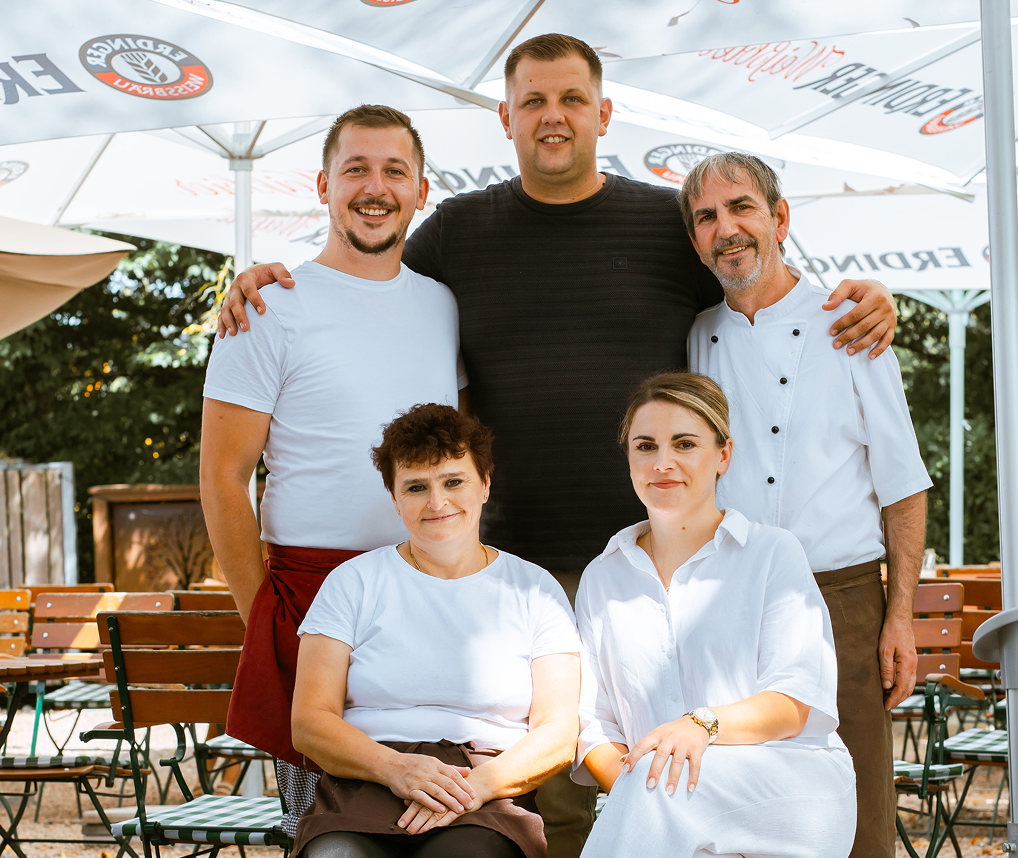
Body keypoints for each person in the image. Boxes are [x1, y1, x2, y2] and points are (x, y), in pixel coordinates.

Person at [214, 34, 897, 858]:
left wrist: (863, 297)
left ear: (604, 113)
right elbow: (369, 270)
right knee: (560, 800)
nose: (553, 116)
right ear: (505, 118)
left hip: (655, 560)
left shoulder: (665, 223)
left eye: (572, 99)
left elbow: (755, 279)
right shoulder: (456, 234)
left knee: (692, 777)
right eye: (533, 100)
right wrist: (258, 277)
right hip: (514, 571)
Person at [200, 105, 464, 836]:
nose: (375, 188)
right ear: (323, 185)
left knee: (438, 818)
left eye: (394, 171)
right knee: (321, 828)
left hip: (432, 595)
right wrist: (262, 617)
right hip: (312, 600)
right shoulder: (267, 307)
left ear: (421, 191)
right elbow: (222, 478)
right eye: (356, 169)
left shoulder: (443, 306)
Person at [681, 152, 932, 858]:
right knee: (746, 813)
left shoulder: (850, 324)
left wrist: (901, 616)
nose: (727, 229)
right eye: (707, 218)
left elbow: (904, 484)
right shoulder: (696, 335)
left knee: (859, 812)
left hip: (842, 602)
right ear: (696, 242)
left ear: (780, 218)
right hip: (732, 599)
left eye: (741, 208)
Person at [574, 372, 856, 857]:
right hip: (664, 799)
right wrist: (637, 792)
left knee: (659, 789)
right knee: (659, 792)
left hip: (787, 783)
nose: (663, 463)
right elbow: (594, 725)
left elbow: (795, 701)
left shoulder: (772, 553)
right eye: (646, 446)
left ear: (723, 455)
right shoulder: (603, 577)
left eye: (685, 444)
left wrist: (699, 724)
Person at [291, 403, 581, 858]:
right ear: (394, 498)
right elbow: (310, 721)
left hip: (488, 786)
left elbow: (559, 731)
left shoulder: (535, 589)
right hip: (367, 777)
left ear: (485, 484)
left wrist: (474, 787)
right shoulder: (352, 583)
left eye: (453, 481)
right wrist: (397, 769)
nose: (437, 502)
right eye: (416, 487)